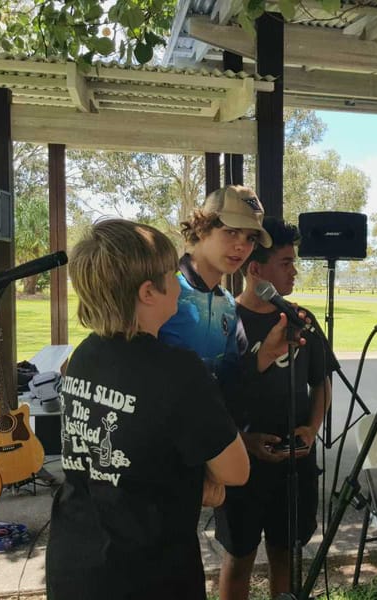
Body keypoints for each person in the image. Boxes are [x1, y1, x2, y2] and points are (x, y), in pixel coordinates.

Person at [45, 219, 250, 600]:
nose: (179, 281)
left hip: (74, 565)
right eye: (172, 273)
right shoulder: (179, 370)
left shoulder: (82, 355)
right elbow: (236, 470)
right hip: (149, 573)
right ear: (148, 292)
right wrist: (201, 481)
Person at [215, 217, 335, 600]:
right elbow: (212, 400)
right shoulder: (224, 323)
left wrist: (312, 428)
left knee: (286, 555)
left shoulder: (303, 320)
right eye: (285, 263)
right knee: (239, 558)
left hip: (294, 466)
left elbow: (321, 381)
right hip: (242, 468)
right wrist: (244, 441)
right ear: (256, 270)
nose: (295, 271)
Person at [158, 184, 273, 383]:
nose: (241, 246)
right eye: (232, 232)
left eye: (250, 238)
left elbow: (232, 374)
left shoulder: (228, 303)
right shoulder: (161, 289)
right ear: (202, 229)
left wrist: (269, 351)